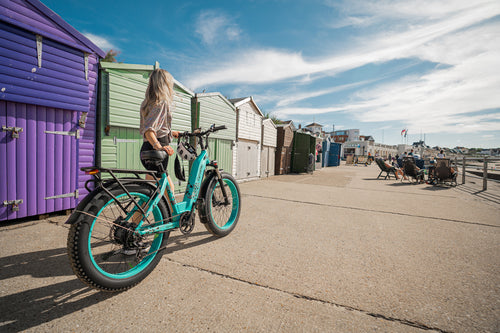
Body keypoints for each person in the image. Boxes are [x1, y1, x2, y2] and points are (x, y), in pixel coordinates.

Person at [139, 68, 179, 193]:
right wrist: (159, 147)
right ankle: (174, 214)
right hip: (156, 152)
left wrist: (171, 132)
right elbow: (149, 130)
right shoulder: (161, 103)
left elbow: (156, 127)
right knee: (168, 190)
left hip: (147, 149)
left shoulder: (147, 103)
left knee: (151, 192)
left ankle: (139, 213)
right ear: (165, 84)